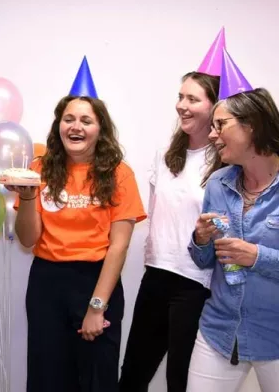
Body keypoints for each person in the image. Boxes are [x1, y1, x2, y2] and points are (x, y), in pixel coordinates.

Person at [10, 95, 146, 392]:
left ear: (101, 129)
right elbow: (27, 238)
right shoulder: (38, 169)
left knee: (96, 379)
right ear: (58, 125)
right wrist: (30, 196)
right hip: (47, 284)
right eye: (69, 119)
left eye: (86, 121)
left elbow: (119, 246)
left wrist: (97, 307)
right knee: (48, 378)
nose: (76, 127)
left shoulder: (119, 174)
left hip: (98, 282)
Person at [119, 71, 221, 392]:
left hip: (197, 284)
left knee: (181, 380)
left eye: (193, 99)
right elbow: (156, 214)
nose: (182, 106)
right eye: (180, 97)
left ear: (215, 107)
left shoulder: (224, 163)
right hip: (157, 274)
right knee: (133, 375)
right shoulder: (165, 154)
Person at [187, 87, 279, 392]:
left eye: (221, 125)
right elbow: (205, 260)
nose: (212, 135)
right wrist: (201, 239)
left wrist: (256, 256)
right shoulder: (217, 183)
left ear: (251, 125)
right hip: (220, 329)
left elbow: (250, 257)